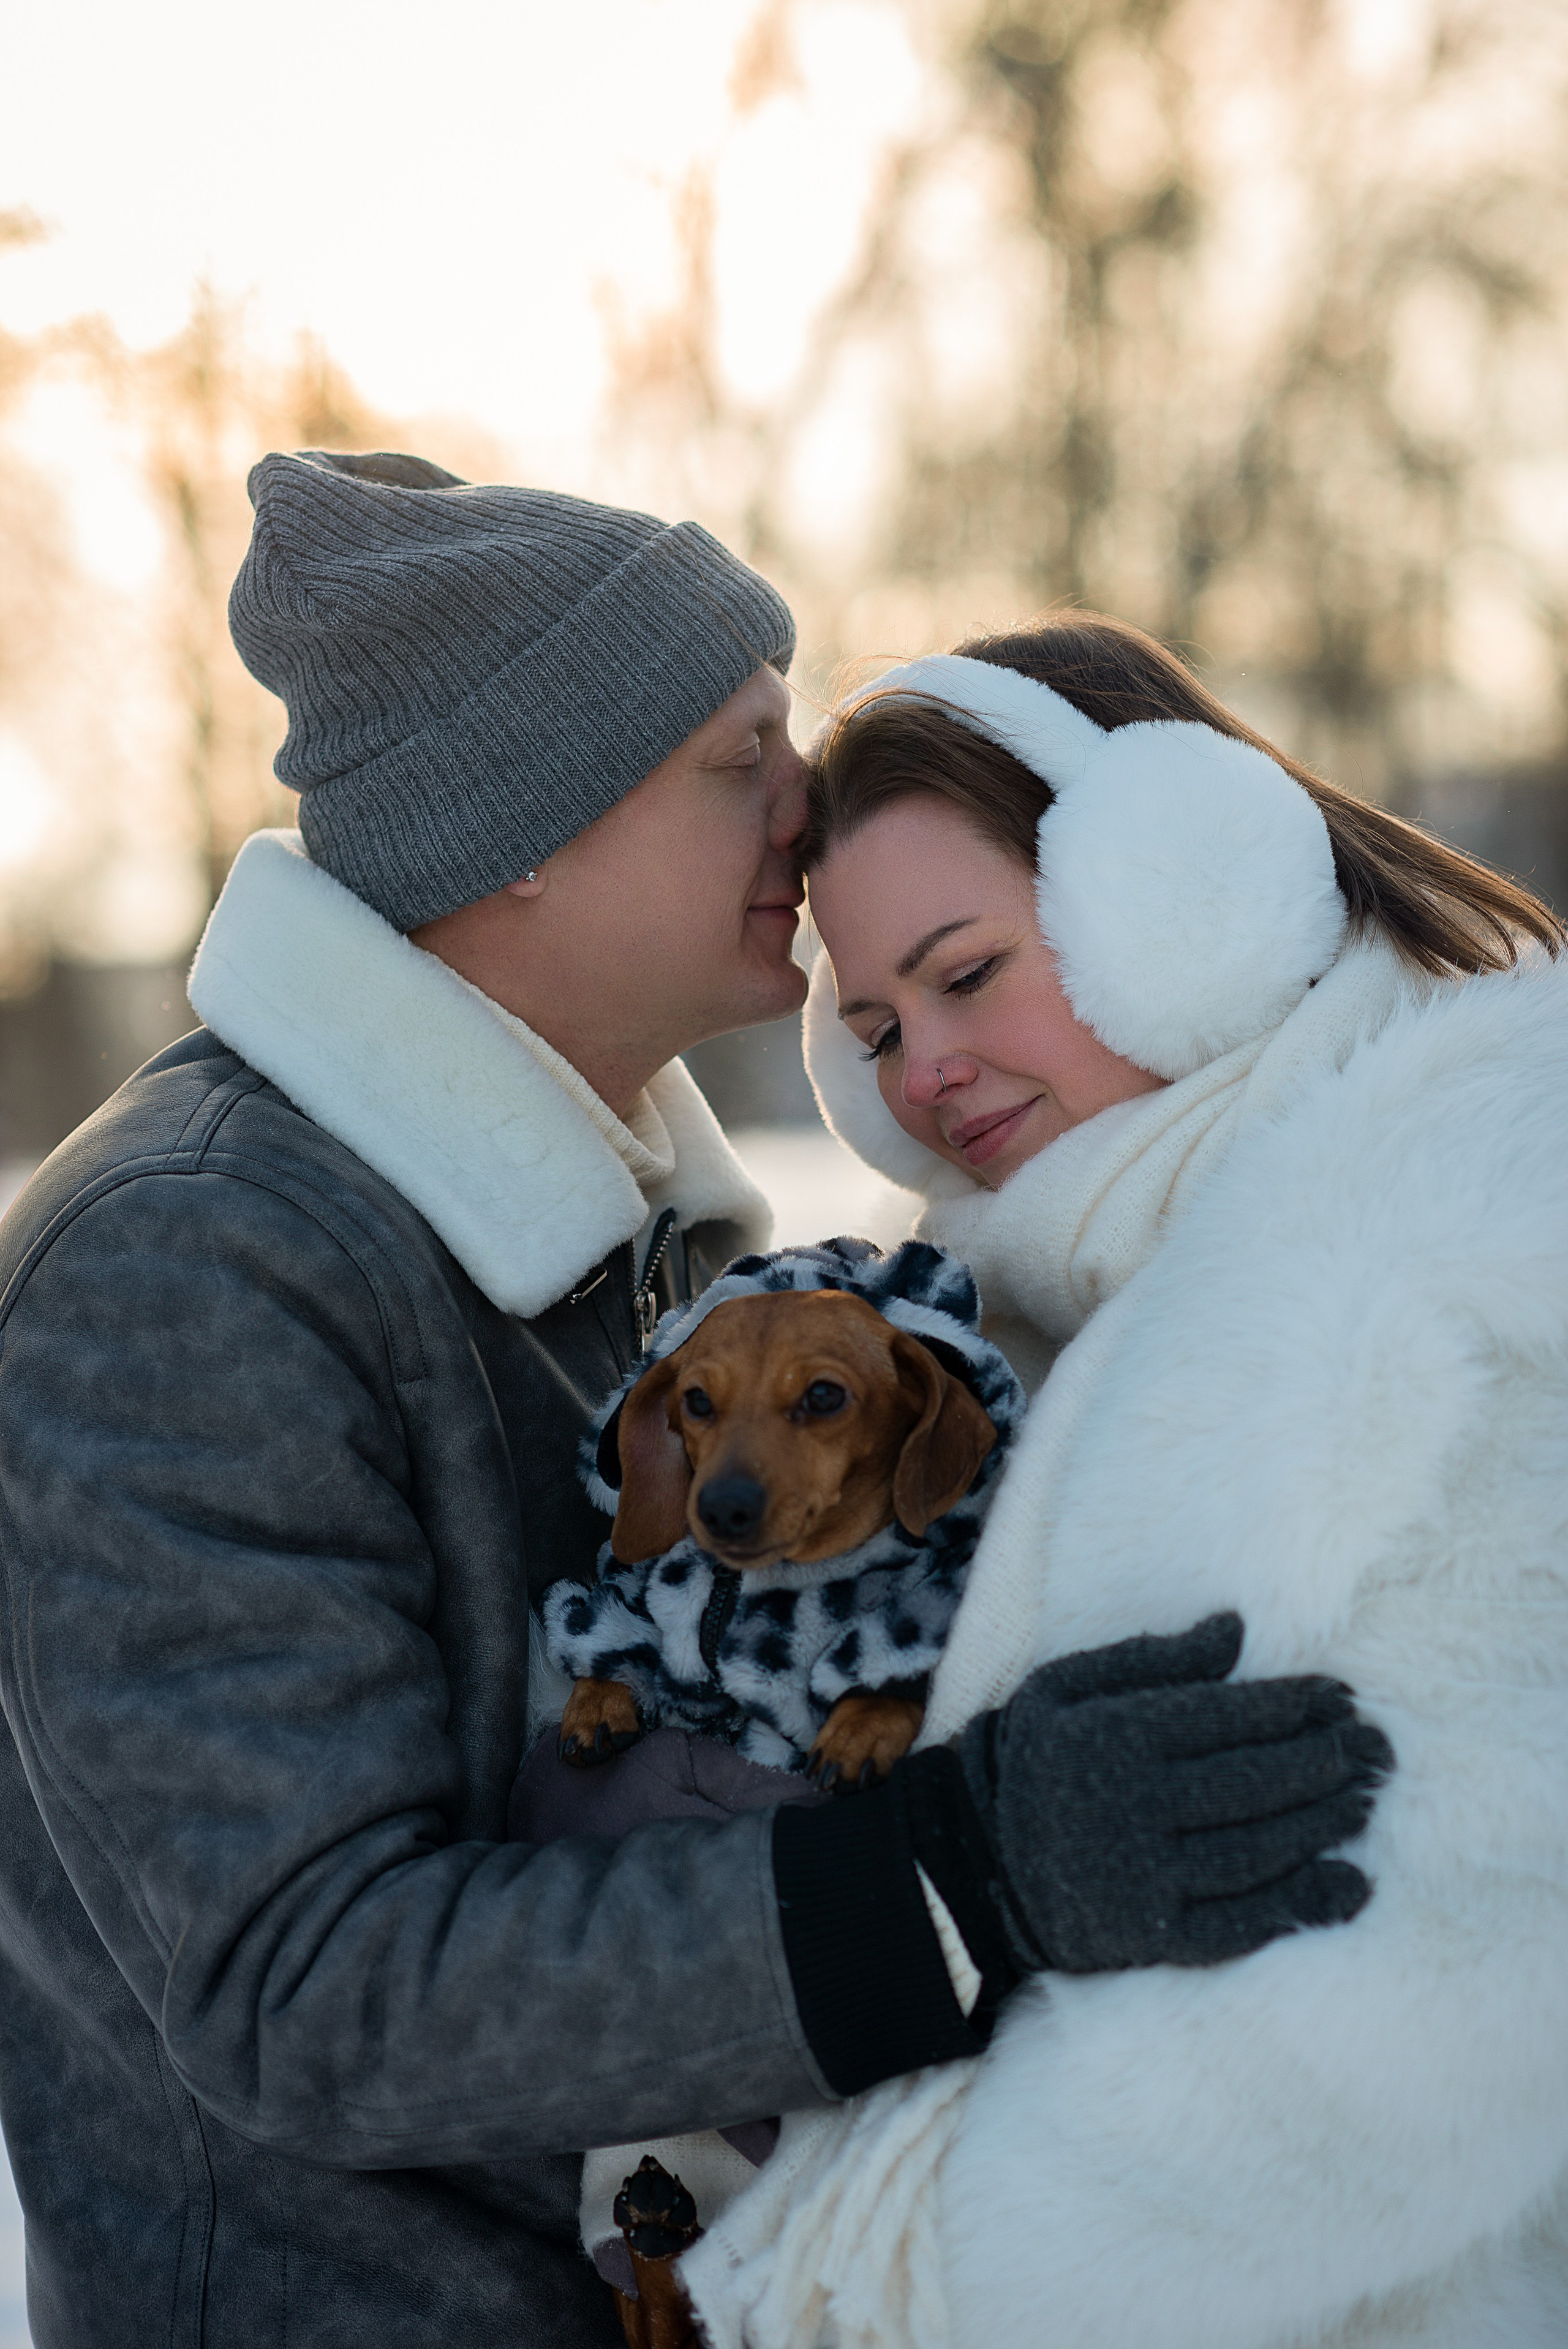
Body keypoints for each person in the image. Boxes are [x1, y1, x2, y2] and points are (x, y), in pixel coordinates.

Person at [0, 464, 1384, 2349]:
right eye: (744, 752)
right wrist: (964, 1878)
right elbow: (307, 1987)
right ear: (527, 830)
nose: (806, 802)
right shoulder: (194, 1266)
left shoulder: (617, 1237)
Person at [679, 612, 1568, 2349]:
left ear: (1178, 904)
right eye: (870, 1026)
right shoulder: (1036, 1315)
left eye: (965, 971)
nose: (919, 1072)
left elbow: (1453, 1978)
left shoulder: (1451, 1248)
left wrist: (888, 2271)